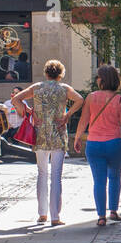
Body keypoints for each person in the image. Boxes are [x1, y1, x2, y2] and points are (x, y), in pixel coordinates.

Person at [14, 61, 83, 226]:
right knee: (56, 176)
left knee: (42, 173)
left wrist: (29, 112)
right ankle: (55, 216)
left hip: (40, 134)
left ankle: (42, 214)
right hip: (58, 134)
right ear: (61, 74)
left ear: (46, 73)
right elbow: (80, 100)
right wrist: (67, 115)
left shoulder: (37, 87)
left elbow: (16, 99)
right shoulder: (64, 89)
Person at [74, 65, 121, 227]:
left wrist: (77, 138)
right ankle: (113, 211)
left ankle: (101, 216)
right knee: (114, 177)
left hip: (94, 144)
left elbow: (83, 120)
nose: (97, 80)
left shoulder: (91, 97)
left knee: (98, 181)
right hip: (114, 143)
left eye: (98, 77)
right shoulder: (120, 100)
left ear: (103, 80)